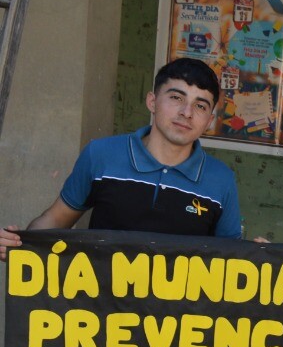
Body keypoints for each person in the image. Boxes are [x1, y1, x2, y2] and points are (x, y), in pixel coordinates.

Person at [1, 57, 242, 257]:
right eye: (176, 98)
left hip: (175, 315)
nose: (186, 113)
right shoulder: (102, 155)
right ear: (152, 101)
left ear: (210, 120)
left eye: (200, 106)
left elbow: (233, 260)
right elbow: (55, 220)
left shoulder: (221, 180)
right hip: (97, 312)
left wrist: (265, 259)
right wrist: (20, 243)